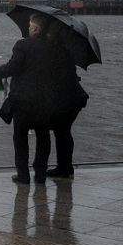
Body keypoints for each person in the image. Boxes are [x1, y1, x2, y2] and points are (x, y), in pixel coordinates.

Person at [0, 14, 65, 184]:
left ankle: (23, 174)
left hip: (22, 100)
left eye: (30, 26)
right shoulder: (54, 49)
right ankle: (40, 174)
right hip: (45, 101)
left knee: (20, 137)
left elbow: (13, 67)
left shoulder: (22, 45)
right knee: (43, 136)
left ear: (35, 29)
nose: (29, 28)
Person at [46, 25, 89, 179]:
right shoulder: (66, 50)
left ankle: (63, 168)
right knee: (64, 132)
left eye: (49, 31)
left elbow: (56, 76)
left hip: (69, 99)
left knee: (61, 132)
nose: (47, 34)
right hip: (76, 98)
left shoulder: (57, 52)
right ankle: (66, 167)